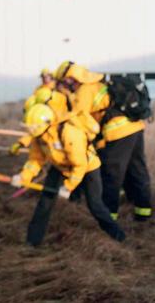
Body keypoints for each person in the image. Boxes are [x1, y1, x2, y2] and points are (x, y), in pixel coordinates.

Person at [14, 103, 126, 246]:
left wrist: (68, 187)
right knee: (45, 202)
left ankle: (119, 236)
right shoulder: (39, 137)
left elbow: (80, 164)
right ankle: (32, 242)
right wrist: (23, 177)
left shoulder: (69, 133)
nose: (30, 131)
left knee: (95, 205)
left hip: (87, 168)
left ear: (43, 123)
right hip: (60, 166)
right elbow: (35, 160)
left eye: (32, 127)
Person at [54, 61, 152, 221]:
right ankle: (143, 213)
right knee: (137, 170)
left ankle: (108, 217)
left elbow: (79, 118)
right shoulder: (97, 83)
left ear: (72, 78)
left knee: (110, 174)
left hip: (118, 132)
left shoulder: (84, 91)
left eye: (65, 81)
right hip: (135, 127)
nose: (65, 85)